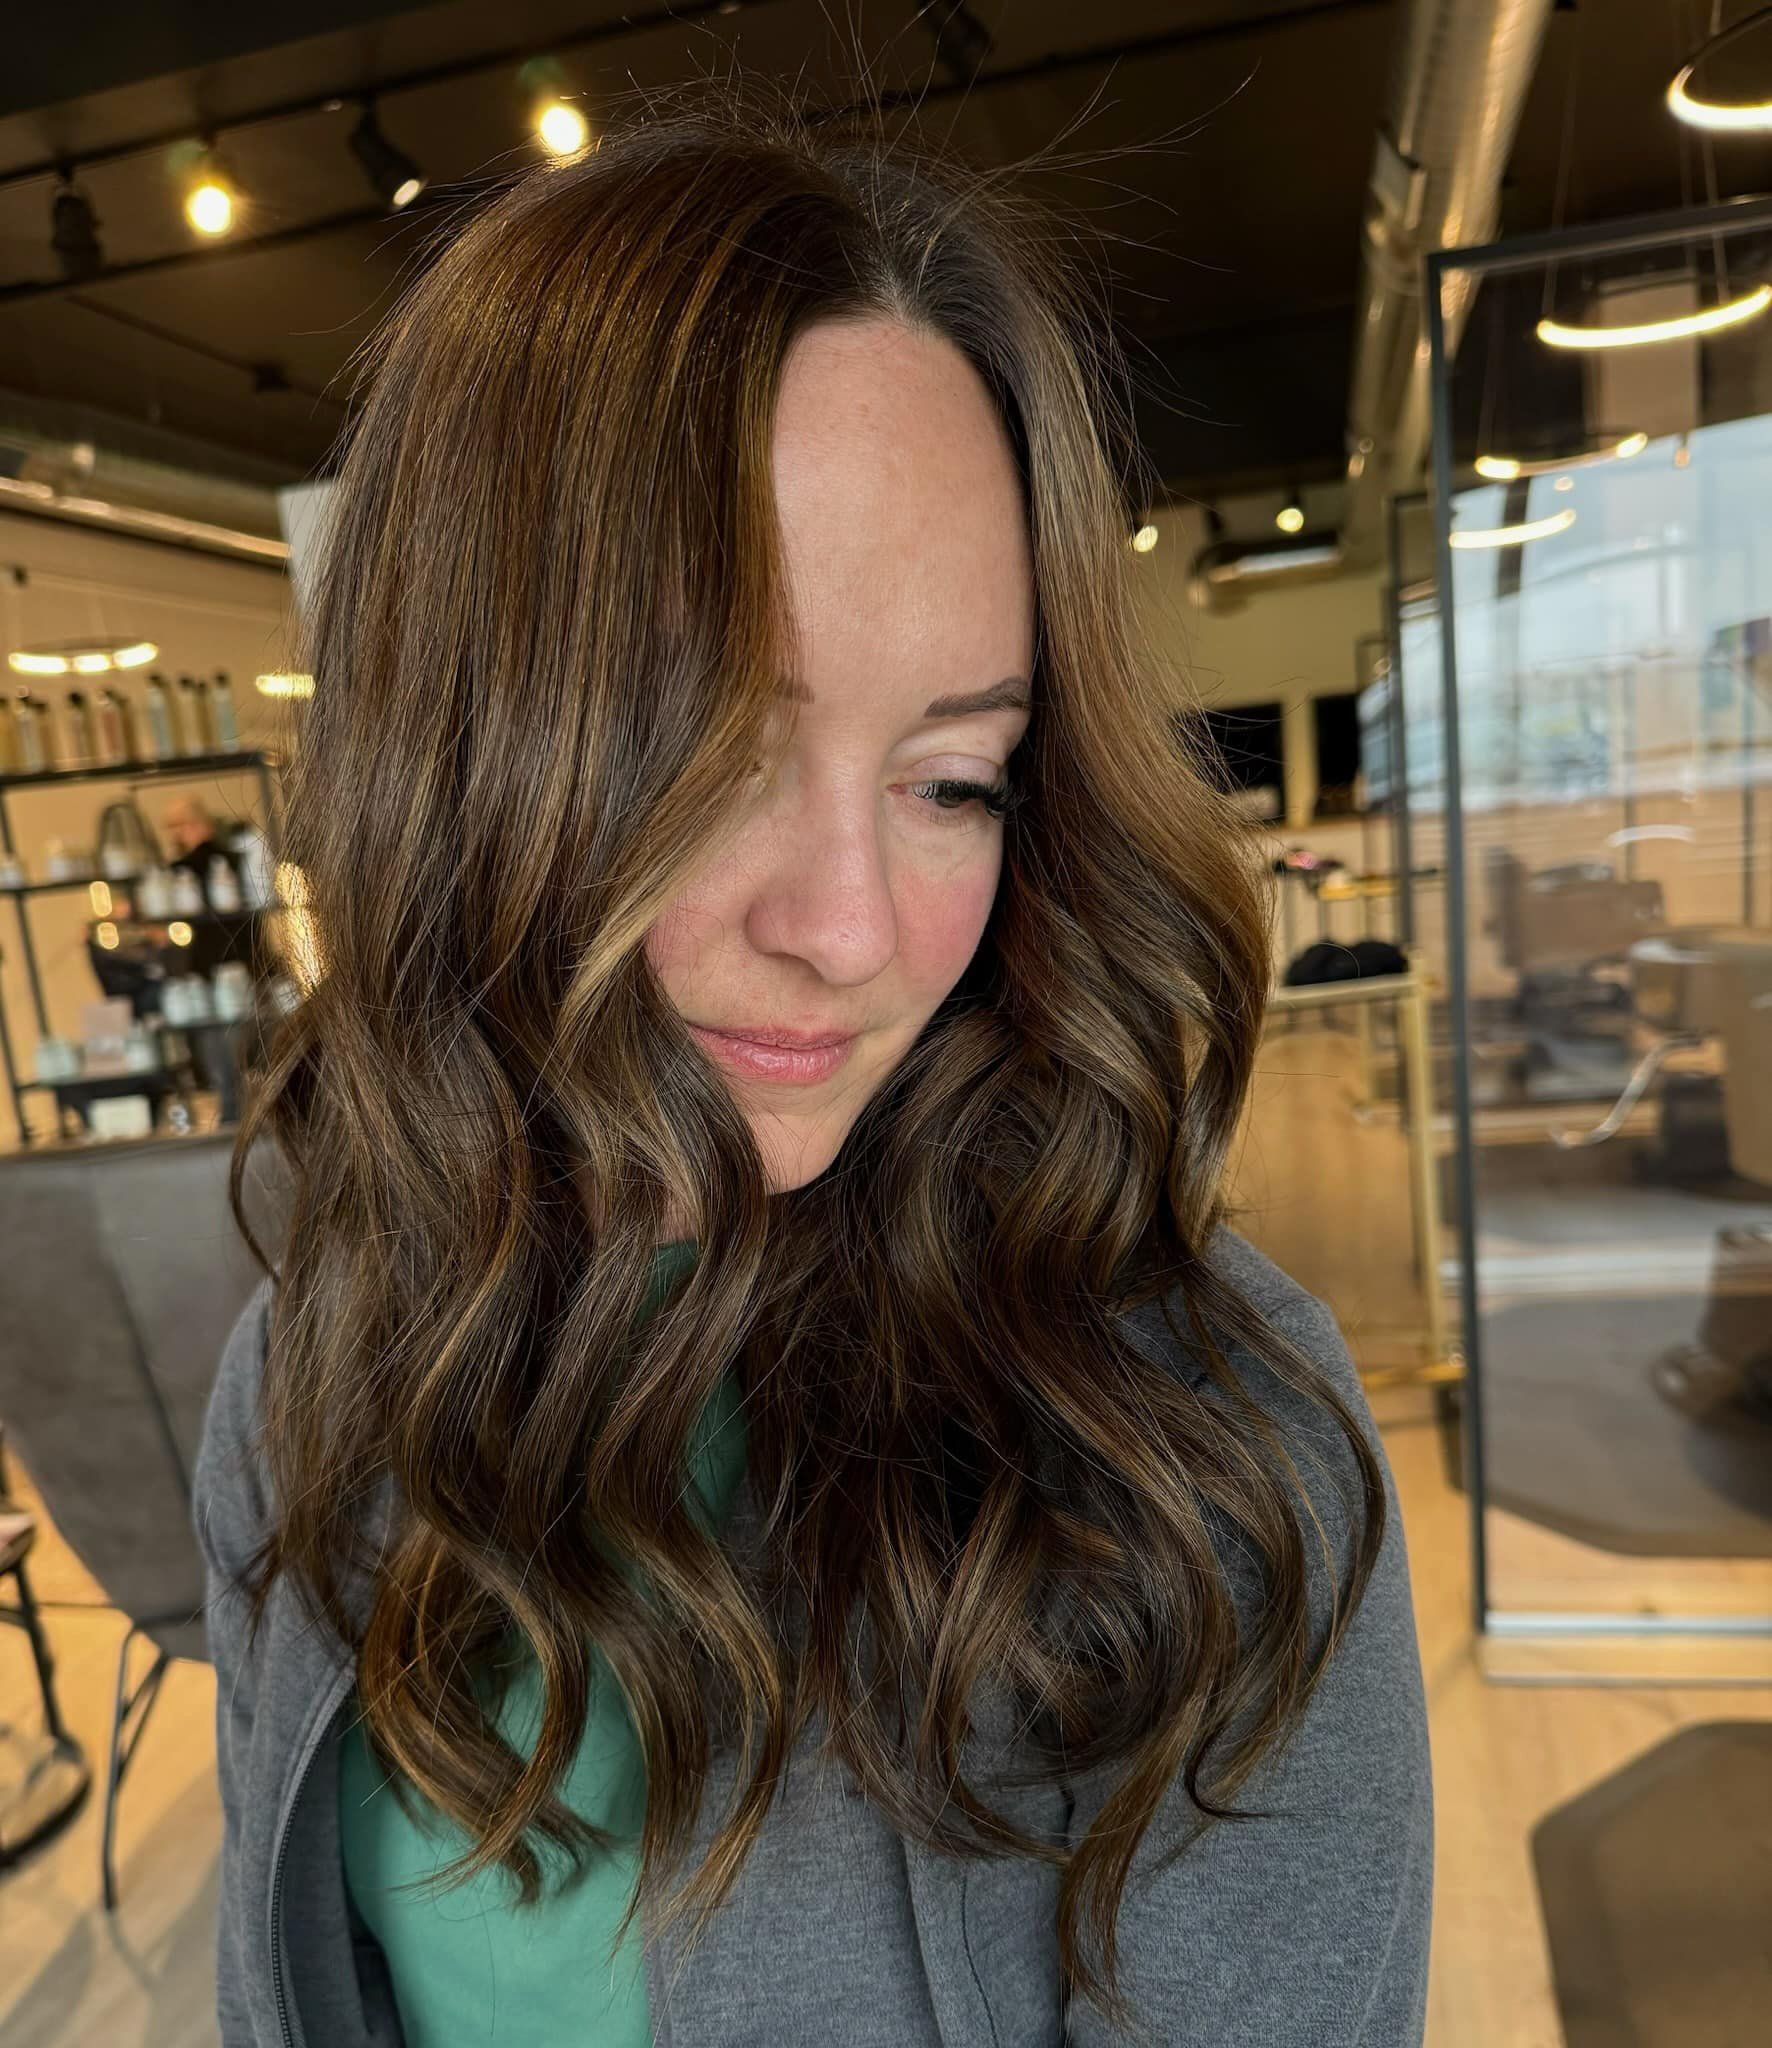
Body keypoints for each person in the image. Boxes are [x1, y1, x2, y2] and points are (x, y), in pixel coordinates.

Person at [193, 73, 1433, 2048]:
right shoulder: (319, 1370)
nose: (850, 927)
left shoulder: (1197, 1454)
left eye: (953, 778)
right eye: (716, 758)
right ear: (459, 747)